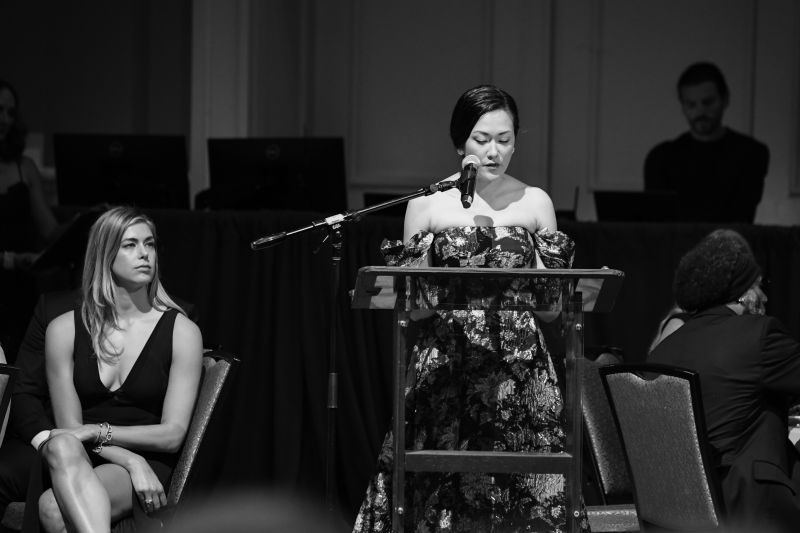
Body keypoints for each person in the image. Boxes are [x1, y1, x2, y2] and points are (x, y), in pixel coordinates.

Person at [352, 85, 579, 531]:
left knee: (523, 490)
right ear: (461, 143)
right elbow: (414, 309)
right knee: (441, 488)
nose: (494, 151)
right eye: (482, 139)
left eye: (505, 139)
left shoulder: (535, 202)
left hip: (520, 365)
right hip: (447, 362)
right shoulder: (427, 204)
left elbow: (552, 309)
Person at [28, 206, 203, 532]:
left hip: (150, 458)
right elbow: (71, 430)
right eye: (130, 245)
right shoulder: (63, 330)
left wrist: (104, 434)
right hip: (84, 457)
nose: (144, 254)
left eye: (149, 244)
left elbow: (172, 435)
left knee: (53, 509)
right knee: (61, 444)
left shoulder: (181, 331)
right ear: (104, 253)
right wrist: (127, 459)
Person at [649, 229, 800, 532]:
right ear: (742, 293)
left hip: (676, 512)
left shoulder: (664, 350)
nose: (766, 297)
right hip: (754, 506)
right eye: (760, 286)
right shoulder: (758, 334)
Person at [644, 62, 769, 223]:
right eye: (691, 105)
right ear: (682, 105)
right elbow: (655, 223)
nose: (700, 111)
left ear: (725, 100)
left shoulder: (751, 153)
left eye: (708, 102)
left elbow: (742, 215)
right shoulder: (661, 157)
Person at [0, 79, 60, 362]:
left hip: (19, 289)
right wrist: (11, 259)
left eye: (11, 113)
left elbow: (50, 231)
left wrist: (88, 222)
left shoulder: (25, 168)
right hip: (7, 269)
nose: (5, 120)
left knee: (19, 368)